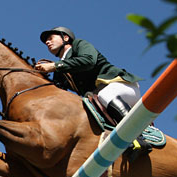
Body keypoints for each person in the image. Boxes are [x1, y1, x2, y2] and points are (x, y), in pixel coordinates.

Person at [34, 26, 151, 159]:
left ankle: (138, 139)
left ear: (65, 38)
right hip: (99, 99)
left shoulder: (79, 45)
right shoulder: (61, 69)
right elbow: (58, 92)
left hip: (120, 85)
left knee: (105, 95)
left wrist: (54, 66)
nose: (47, 43)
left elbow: (88, 61)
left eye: (50, 38)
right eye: (46, 42)